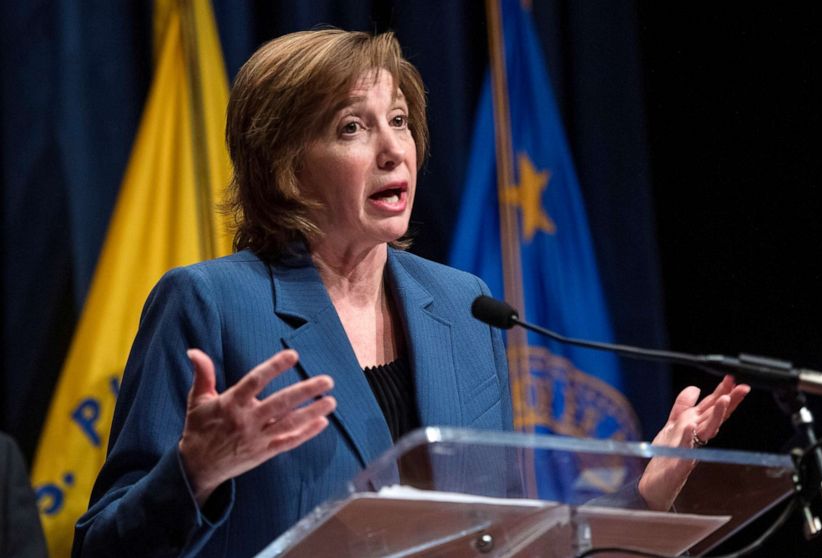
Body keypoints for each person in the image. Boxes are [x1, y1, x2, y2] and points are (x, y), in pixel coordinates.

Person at [73, 29, 748, 557]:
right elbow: (102, 547)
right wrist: (193, 471)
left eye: (398, 120)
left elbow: (505, 542)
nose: (394, 150)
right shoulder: (210, 304)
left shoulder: (464, 306)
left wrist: (642, 498)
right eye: (352, 128)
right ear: (284, 168)